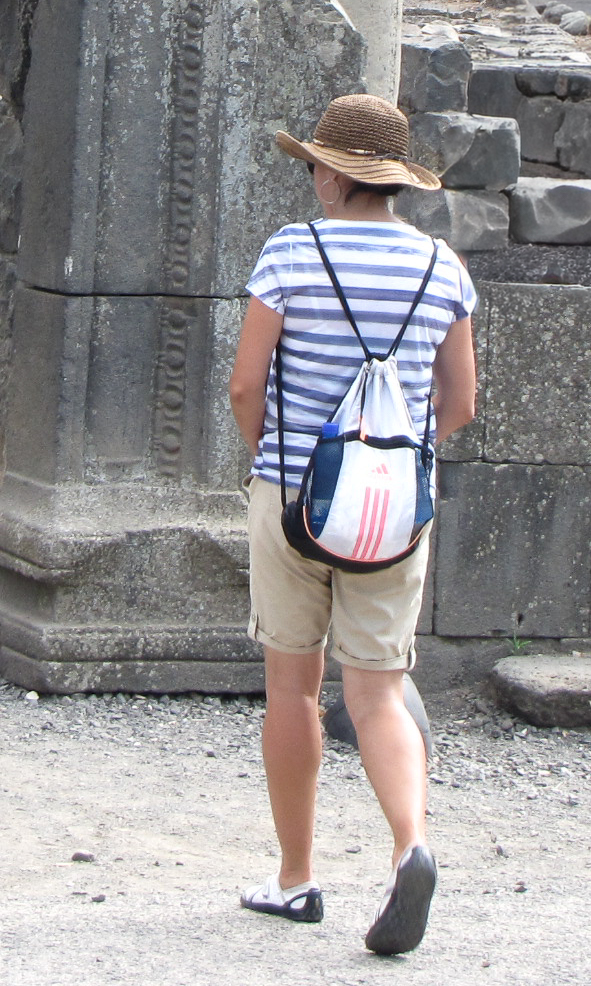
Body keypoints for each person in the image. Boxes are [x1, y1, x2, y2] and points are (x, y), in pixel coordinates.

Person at [227, 93, 479, 957]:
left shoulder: (291, 253)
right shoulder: (443, 267)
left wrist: (280, 460)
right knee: (375, 690)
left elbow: (243, 385)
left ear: (333, 175)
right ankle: (411, 844)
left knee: (294, 688)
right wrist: (400, 462)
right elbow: (461, 401)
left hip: (296, 497)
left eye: (313, 167)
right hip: (396, 512)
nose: (312, 179)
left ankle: (295, 880)